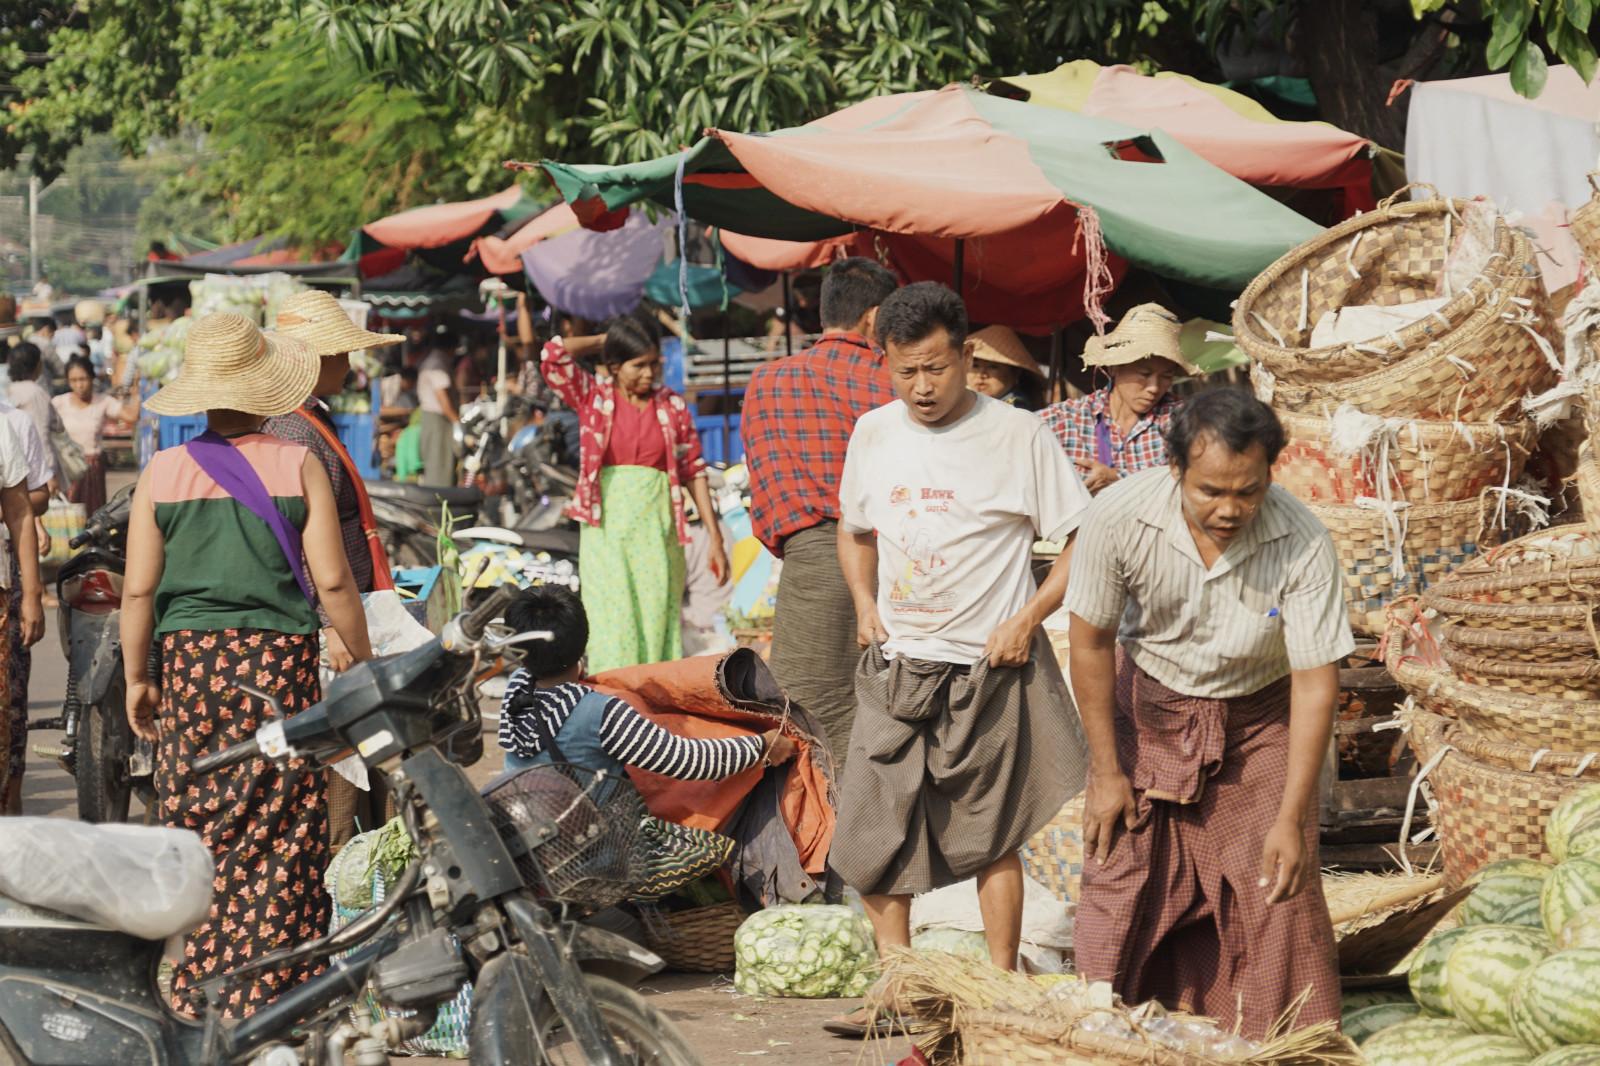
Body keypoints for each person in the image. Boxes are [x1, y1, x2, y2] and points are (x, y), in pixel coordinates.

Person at [827, 283, 1091, 1034]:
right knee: (875, 828)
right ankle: (897, 986)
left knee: (989, 834)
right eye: (905, 371)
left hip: (986, 668)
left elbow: (1081, 540)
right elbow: (854, 531)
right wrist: (864, 604)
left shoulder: (1018, 436)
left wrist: (1030, 615)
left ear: (967, 356)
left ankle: (1002, 988)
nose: (921, 388)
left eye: (935, 369)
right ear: (884, 362)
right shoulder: (874, 433)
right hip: (896, 662)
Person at [1065, 389, 1350, 1041]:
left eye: (1246, 492)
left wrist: (1291, 818)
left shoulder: (1301, 540)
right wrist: (1107, 773)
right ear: (1175, 472)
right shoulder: (1120, 516)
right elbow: (1090, 642)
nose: (1229, 510)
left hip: (1260, 722)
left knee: (1279, 890)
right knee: (1118, 872)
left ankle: (1281, 1045)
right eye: (1210, 491)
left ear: (1269, 475)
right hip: (1148, 715)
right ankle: (1105, 1038)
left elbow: (1313, 684)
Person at [120, 312, 373, 1016]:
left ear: (200, 394)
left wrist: (140, 678)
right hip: (276, 668)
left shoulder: (163, 472)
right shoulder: (299, 463)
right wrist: (363, 654)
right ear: (265, 387)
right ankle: (273, 989)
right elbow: (332, 583)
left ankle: (205, 982)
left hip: (191, 669)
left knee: (200, 820)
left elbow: (138, 589)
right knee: (283, 822)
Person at [741, 257, 899, 772]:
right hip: (898, 558)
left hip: (809, 558)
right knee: (889, 709)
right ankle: (875, 838)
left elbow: (763, 491)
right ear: (874, 319)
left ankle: (825, 843)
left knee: (805, 719)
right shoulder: (895, 380)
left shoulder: (766, 381)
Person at [266, 290, 406, 851]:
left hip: (347, 608)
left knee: (369, 748)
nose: (349, 365)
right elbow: (297, 543)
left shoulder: (310, 421)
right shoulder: (295, 432)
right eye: (339, 355)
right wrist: (329, 623)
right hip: (334, 619)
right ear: (310, 362)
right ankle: (344, 887)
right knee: (346, 762)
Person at [541, 313, 726, 673]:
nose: (648, 373)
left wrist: (715, 536)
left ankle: (656, 705)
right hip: (606, 531)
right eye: (638, 365)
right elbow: (553, 354)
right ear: (613, 366)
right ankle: (615, 702)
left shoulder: (672, 406)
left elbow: (694, 471)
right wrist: (606, 339)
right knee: (612, 615)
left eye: (654, 363)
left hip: (659, 532)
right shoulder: (593, 396)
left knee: (658, 613)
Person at [1040, 303, 1199, 493]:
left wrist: (1117, 477)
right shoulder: (1067, 418)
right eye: (1144, 374)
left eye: (1166, 376)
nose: (1154, 388)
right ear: (1114, 368)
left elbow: (1193, 479)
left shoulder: (1183, 419)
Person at [0, 401, 50, 816]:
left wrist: (32, 591)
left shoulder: (4, 424)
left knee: (7, 704)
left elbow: (20, 510)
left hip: (2, 592)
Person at [52, 354, 134, 515]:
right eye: (74, 380)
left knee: (92, 515)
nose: (79, 385)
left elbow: (130, 416)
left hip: (92, 468)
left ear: (91, 378)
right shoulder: (59, 403)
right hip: (67, 469)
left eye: (83, 379)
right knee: (68, 514)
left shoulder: (103, 401)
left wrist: (137, 390)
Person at [965, 324, 1045, 411]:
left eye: (993, 367)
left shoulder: (1017, 406)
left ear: (1015, 373)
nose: (982, 374)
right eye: (975, 366)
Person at [416, 336, 459, 486]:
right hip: (437, 420)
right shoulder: (437, 364)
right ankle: (437, 504)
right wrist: (456, 421)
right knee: (439, 464)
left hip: (433, 419)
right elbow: (442, 397)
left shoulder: (431, 361)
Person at [6, 343, 60, 451]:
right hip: (37, 459)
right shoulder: (35, 393)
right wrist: (48, 466)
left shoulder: (10, 389)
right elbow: (42, 433)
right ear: (37, 364)